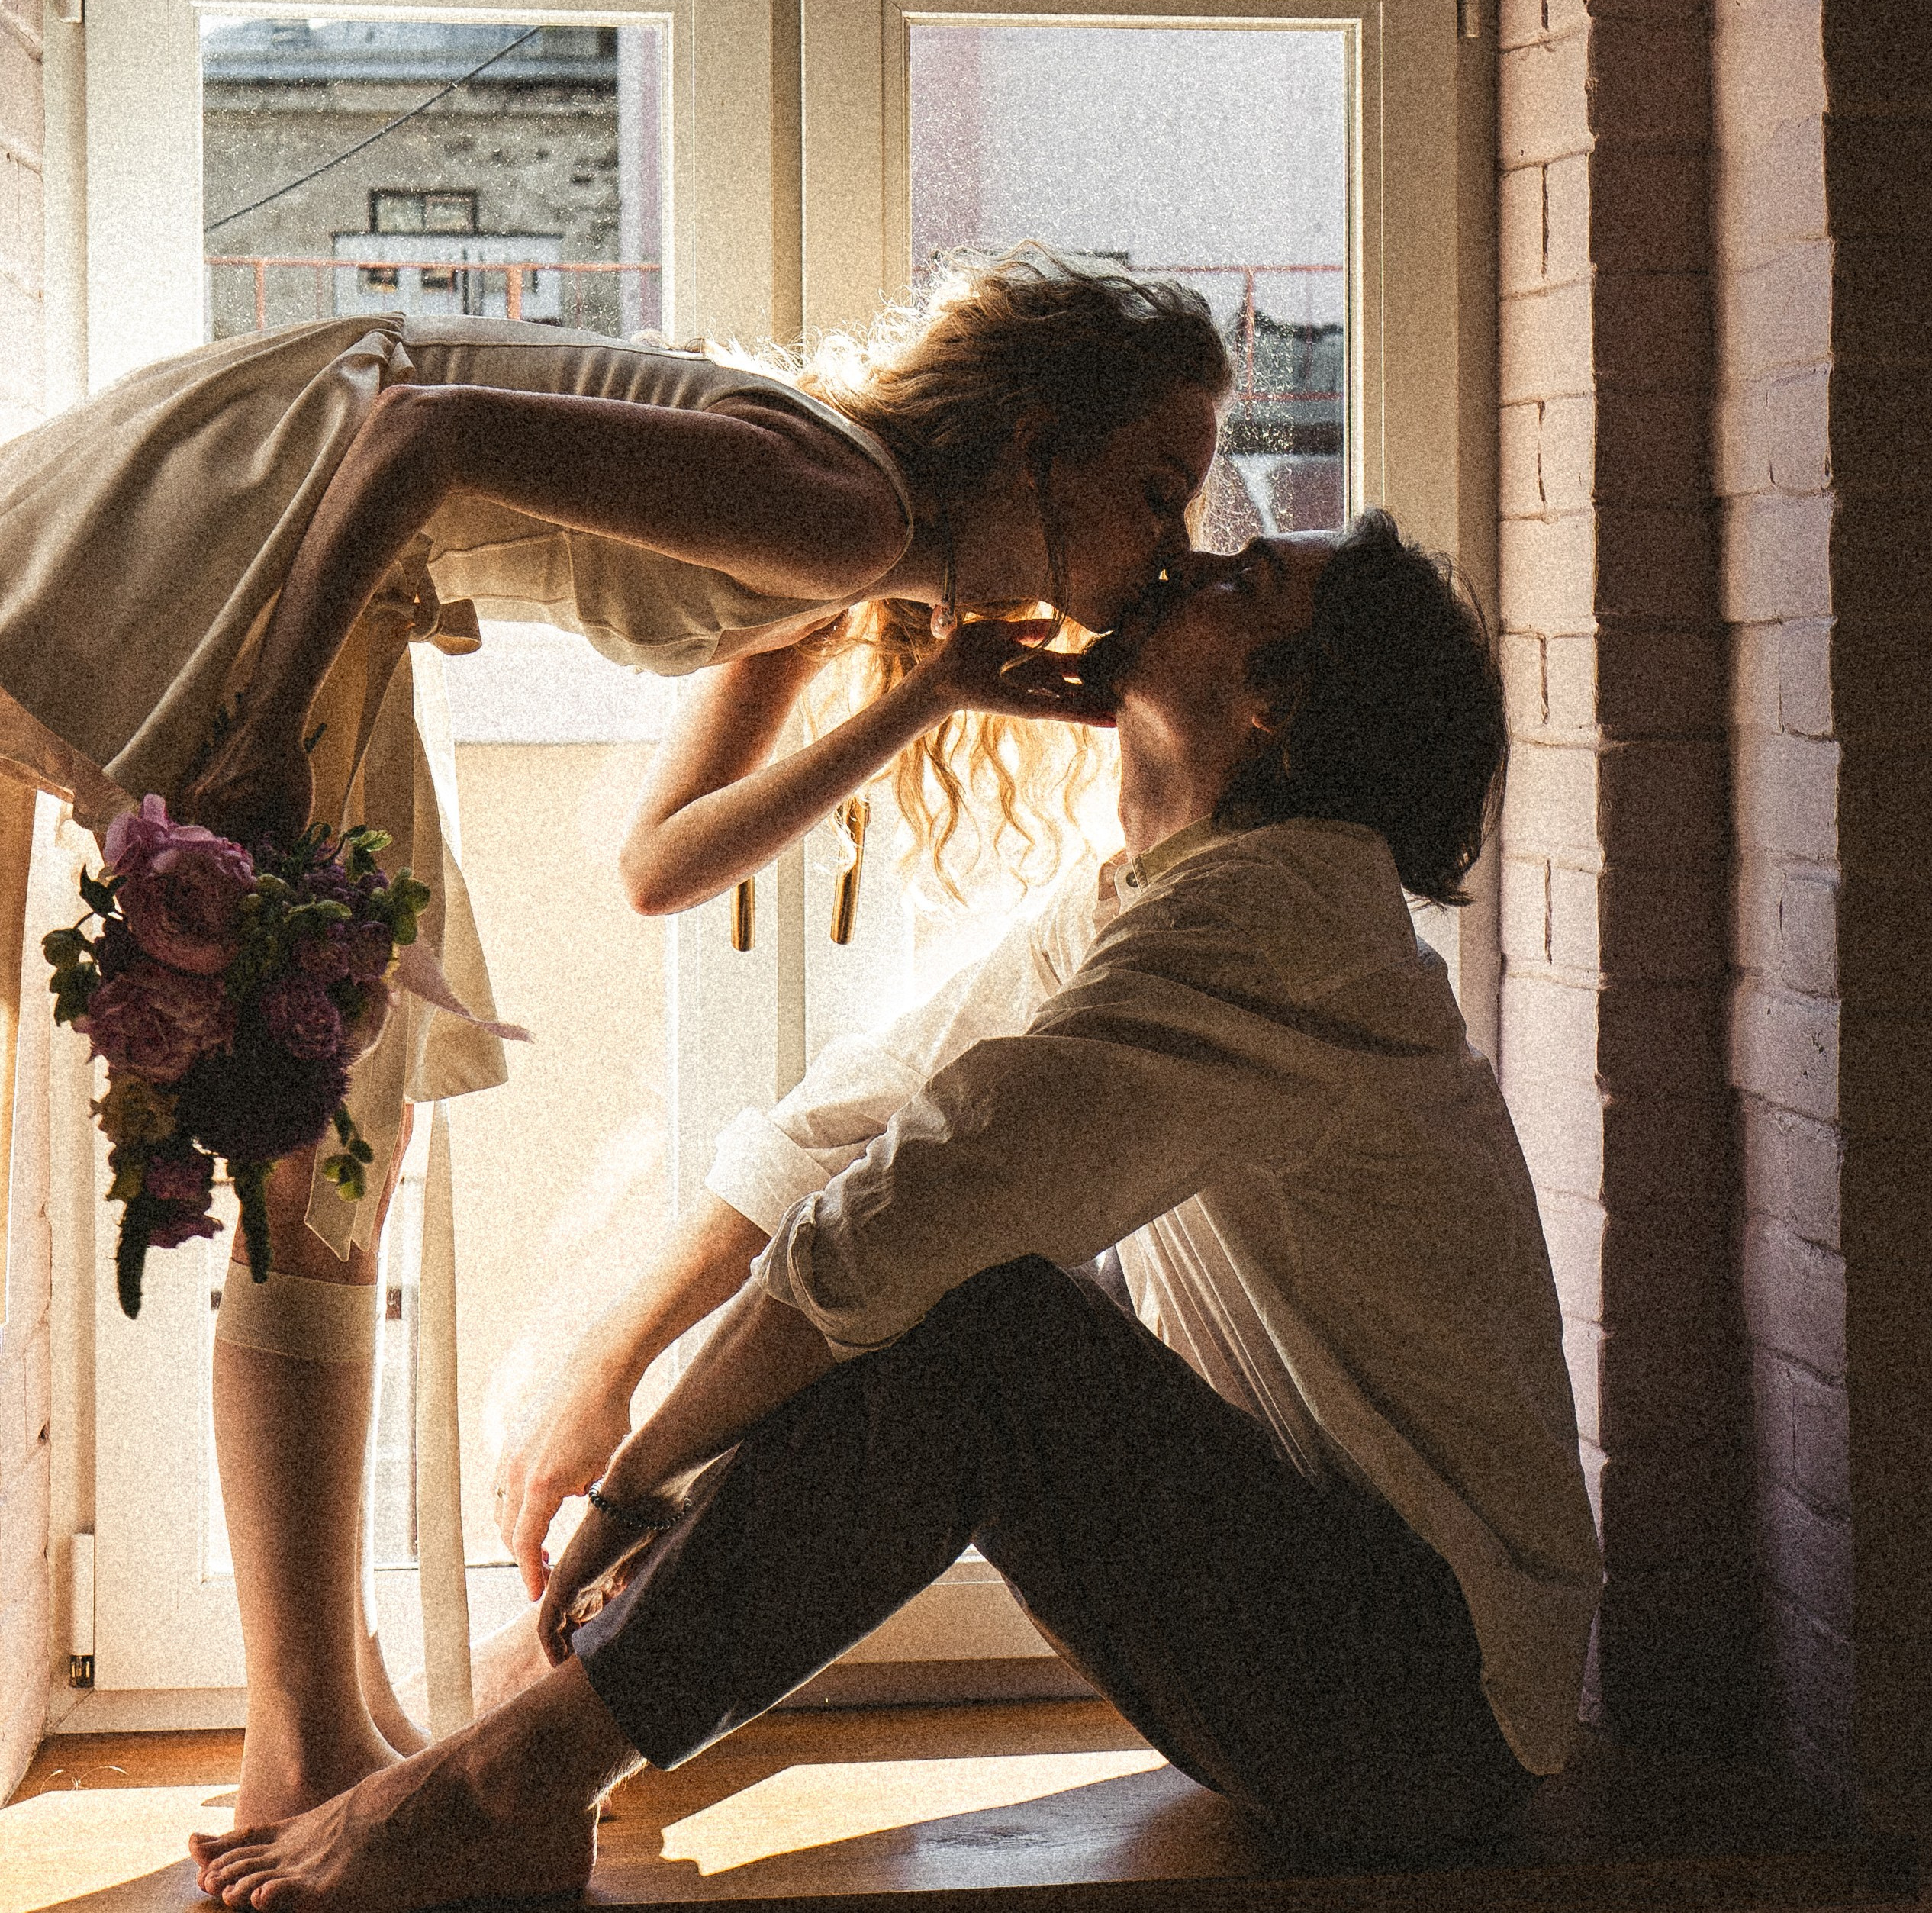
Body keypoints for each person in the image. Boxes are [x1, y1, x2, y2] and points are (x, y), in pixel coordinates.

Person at [189, 514, 1604, 1913]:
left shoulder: (1286, 917)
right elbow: (860, 1117)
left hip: (1428, 1716)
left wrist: (637, 1479)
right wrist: (614, 1362)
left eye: (1247, 583)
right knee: (938, 1271)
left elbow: (906, 1212)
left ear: (1269, 706)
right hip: (1342, 1646)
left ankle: (515, 1777)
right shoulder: (1156, 895)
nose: (1187, 561)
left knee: (978, 1319)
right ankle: (545, 1735)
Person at [0, 247, 1228, 1830]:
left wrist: (927, 695)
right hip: (263, 524)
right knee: (315, 1162)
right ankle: (299, 1744)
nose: (1171, 543)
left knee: (334, 1154)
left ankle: (320, 1708)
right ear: (1038, 444)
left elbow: (663, 864)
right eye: (1153, 487)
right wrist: (263, 722)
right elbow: (415, 433)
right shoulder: (839, 508)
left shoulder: (853, 550)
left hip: (310, 538)